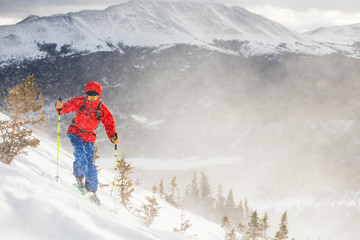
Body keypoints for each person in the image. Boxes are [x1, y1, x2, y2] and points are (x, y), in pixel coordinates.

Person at [55, 81, 119, 204]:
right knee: (80, 155)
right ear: (85, 95)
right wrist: (60, 108)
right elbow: (67, 107)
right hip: (75, 132)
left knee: (91, 164)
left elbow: (109, 122)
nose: (91, 99)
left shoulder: (101, 108)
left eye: (94, 97)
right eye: (88, 96)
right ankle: (79, 179)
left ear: (99, 96)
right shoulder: (80, 101)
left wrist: (113, 136)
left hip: (89, 137)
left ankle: (92, 191)